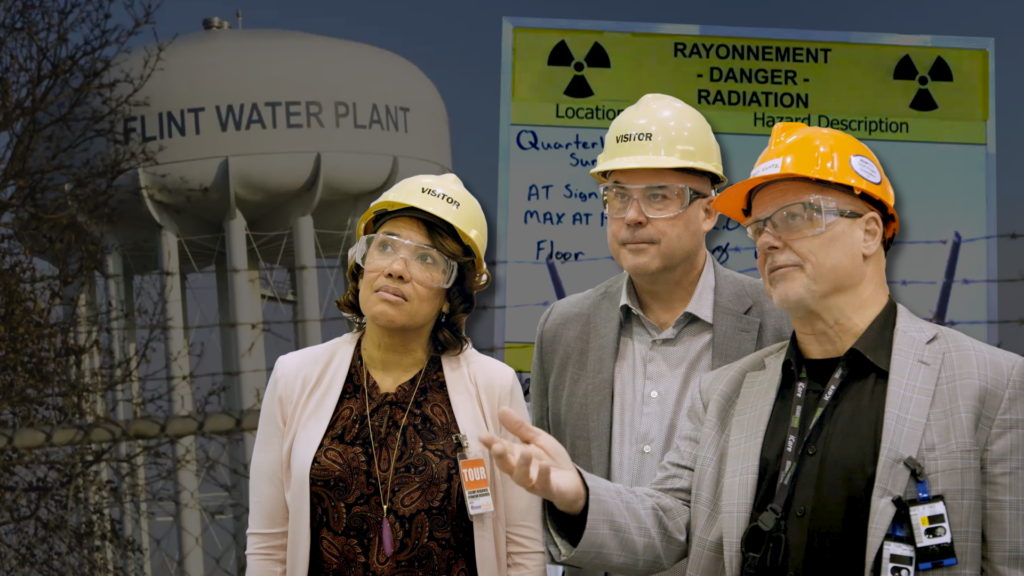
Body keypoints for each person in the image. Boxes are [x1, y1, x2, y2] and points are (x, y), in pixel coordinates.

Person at [481, 123, 1024, 576]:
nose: (768, 239)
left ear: (869, 231)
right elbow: (673, 519)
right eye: (761, 225)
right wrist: (577, 492)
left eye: (796, 217)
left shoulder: (989, 385)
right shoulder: (728, 392)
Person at [530, 94, 790, 576]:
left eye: (658, 195)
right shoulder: (562, 329)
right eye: (617, 195)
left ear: (709, 212)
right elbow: (543, 497)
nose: (632, 216)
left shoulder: (780, 324)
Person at [246, 174, 546, 576]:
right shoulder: (295, 376)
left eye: (426, 258)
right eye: (385, 247)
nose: (397, 269)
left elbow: (522, 552)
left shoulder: (493, 386)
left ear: (451, 294)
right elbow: (269, 546)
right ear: (361, 265)